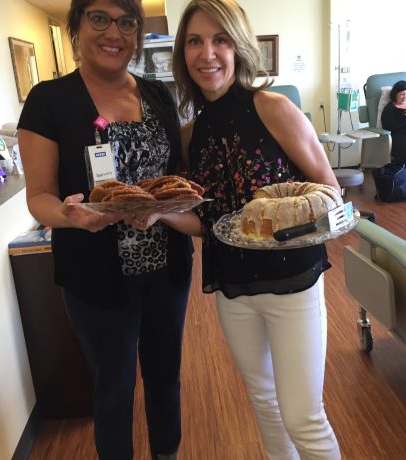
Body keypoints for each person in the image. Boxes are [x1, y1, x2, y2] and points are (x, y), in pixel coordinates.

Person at [131, 0, 341, 458]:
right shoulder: (191, 134)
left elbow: (330, 191)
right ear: (183, 54)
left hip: (293, 284)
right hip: (233, 289)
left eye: (220, 39)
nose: (208, 53)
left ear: (238, 47)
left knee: (304, 417)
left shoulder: (272, 107)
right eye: (195, 41)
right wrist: (159, 213)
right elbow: (206, 221)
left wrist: (294, 222)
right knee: (265, 405)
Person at [17, 0, 193, 459]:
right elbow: (39, 195)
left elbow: (175, 174)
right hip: (95, 276)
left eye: (126, 22)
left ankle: (166, 454)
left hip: (167, 268)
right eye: (99, 18)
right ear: (76, 27)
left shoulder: (158, 95)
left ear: (136, 33)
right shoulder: (48, 101)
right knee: (113, 388)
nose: (113, 32)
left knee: (165, 377)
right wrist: (71, 215)